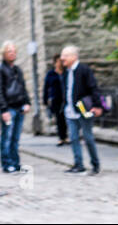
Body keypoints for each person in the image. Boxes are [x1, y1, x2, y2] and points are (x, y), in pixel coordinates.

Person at [60, 44, 103, 174]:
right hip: (70, 111)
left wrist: (97, 106)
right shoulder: (66, 72)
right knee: (73, 138)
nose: (62, 58)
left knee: (88, 137)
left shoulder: (84, 70)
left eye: (65, 56)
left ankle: (95, 165)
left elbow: (93, 88)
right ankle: (78, 164)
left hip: (83, 110)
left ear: (74, 57)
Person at [0, 41, 32, 173]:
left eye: (14, 51)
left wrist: (27, 103)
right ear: (3, 53)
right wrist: (3, 110)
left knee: (16, 138)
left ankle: (15, 163)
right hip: (8, 108)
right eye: (9, 51)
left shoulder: (17, 70)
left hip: (19, 107)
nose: (12, 53)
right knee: (7, 137)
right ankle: (7, 163)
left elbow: (22, 88)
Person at [43, 54, 68, 146]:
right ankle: (61, 138)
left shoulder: (66, 72)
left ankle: (66, 136)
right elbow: (46, 87)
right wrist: (45, 100)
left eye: (61, 61)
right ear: (54, 63)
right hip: (56, 99)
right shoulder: (51, 74)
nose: (60, 63)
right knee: (59, 118)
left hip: (66, 99)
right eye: (58, 61)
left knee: (66, 118)